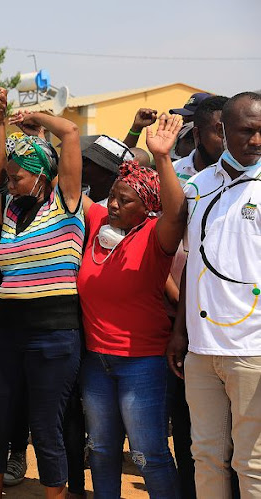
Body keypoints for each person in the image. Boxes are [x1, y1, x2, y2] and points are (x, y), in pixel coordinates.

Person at [0, 94, 84, 499]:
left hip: (54, 336)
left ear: (42, 174)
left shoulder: (67, 202)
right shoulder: (8, 208)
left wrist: (33, 115)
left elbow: (70, 131)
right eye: (8, 178)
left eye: (16, 178)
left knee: (46, 428)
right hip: (9, 334)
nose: (9, 184)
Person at [77, 114, 186, 497]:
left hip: (143, 363)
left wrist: (163, 158)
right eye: (113, 196)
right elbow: (71, 182)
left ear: (147, 207)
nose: (114, 205)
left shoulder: (155, 238)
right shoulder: (94, 223)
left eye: (126, 200)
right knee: (102, 450)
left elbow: (176, 211)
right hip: (96, 363)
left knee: (148, 454)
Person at [167, 91, 261, 497]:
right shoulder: (197, 187)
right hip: (202, 352)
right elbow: (193, 261)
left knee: (251, 463)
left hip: (252, 350)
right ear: (222, 131)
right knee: (205, 455)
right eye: (247, 131)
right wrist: (180, 331)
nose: (257, 140)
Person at [165, 95, 228, 499]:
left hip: (235, 325)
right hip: (182, 322)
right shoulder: (178, 177)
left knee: (240, 444)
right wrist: (179, 320)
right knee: (191, 434)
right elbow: (169, 249)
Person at [81, 135, 135, 203]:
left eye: (91, 161)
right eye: (84, 159)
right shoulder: (77, 198)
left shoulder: (114, 211)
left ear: (110, 173)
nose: (83, 163)